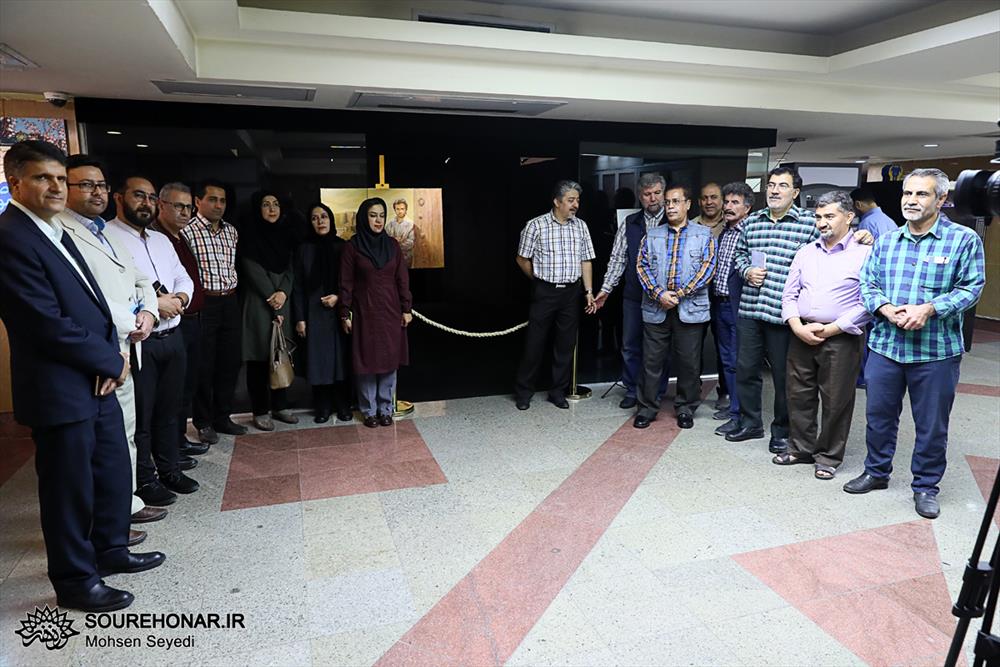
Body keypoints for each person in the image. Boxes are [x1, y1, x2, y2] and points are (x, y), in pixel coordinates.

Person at [0, 140, 164, 612]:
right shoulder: (11, 237)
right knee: (67, 488)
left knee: (112, 467)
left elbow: (92, 304)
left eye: (58, 177)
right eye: (43, 178)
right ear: (15, 182)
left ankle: (111, 549)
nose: (54, 187)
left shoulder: (55, 230)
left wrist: (107, 358)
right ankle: (75, 579)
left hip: (96, 377)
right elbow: (43, 321)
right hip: (60, 385)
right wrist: (109, 360)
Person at [844, 168, 985, 519]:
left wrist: (930, 309)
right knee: (878, 418)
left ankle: (925, 486)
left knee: (931, 425)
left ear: (941, 199)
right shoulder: (888, 240)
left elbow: (971, 288)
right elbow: (867, 283)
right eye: (908, 193)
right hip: (886, 348)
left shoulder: (964, 240)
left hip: (935, 352)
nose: (911, 200)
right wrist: (885, 308)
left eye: (921, 194)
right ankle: (877, 472)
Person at [729, 168, 873, 452]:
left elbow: (837, 239)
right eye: (771, 185)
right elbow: (740, 255)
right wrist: (746, 271)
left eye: (782, 186)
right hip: (751, 309)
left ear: (795, 192)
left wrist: (862, 235)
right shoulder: (752, 222)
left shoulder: (810, 222)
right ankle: (749, 422)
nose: (774, 190)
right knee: (745, 370)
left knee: (786, 379)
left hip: (785, 316)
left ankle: (782, 431)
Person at [57, 155, 164, 532]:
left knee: (124, 433)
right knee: (99, 444)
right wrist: (129, 321)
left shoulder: (105, 232)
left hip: (126, 347)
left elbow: (141, 280)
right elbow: (82, 300)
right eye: (86, 185)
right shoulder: (59, 232)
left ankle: (127, 504)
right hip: (98, 352)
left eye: (100, 185)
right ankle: (106, 517)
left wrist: (149, 312)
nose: (96, 192)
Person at [108, 176, 199, 500]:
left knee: (169, 410)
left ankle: (170, 470)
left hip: (172, 336)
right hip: (139, 342)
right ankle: (145, 481)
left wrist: (180, 299)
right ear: (119, 198)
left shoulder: (161, 241)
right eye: (139, 196)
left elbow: (183, 277)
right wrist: (155, 304)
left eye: (150, 197)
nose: (146, 203)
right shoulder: (107, 237)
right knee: (142, 416)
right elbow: (111, 291)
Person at [774, 191, 872, 479]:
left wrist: (832, 328)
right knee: (799, 395)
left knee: (836, 400)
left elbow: (868, 302)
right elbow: (789, 294)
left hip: (841, 337)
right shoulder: (806, 252)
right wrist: (796, 325)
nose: (822, 222)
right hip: (802, 332)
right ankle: (800, 448)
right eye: (818, 216)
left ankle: (828, 456)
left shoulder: (865, 253)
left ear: (849, 217)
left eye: (829, 216)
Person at [633, 184, 717, 429]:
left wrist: (679, 294)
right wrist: (659, 293)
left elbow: (707, 269)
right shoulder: (652, 235)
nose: (670, 206)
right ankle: (647, 408)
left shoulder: (704, 235)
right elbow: (641, 266)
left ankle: (685, 408)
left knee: (689, 363)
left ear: (688, 205)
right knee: (651, 362)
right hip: (656, 308)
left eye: (676, 201)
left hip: (689, 310)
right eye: (668, 202)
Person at [590, 173, 671, 409]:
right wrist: (606, 289)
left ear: (664, 194)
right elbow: (618, 259)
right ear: (640, 196)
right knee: (630, 345)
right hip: (634, 296)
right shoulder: (630, 222)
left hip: (663, 299)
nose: (652, 198)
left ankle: (656, 391)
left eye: (657, 193)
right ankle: (633, 389)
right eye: (647, 194)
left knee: (660, 348)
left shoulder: (674, 220)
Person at [514, 180, 596, 410]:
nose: (575, 205)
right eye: (571, 200)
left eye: (577, 200)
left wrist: (589, 291)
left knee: (565, 345)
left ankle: (557, 392)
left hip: (571, 293)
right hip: (545, 292)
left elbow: (586, 260)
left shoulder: (581, 226)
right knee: (534, 344)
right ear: (557, 202)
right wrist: (538, 280)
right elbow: (521, 259)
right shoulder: (536, 225)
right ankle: (524, 393)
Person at [181, 179, 247, 442]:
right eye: (212, 199)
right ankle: (203, 421)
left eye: (222, 201)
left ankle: (223, 416)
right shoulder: (187, 231)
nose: (218, 205)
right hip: (204, 304)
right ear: (198, 201)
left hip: (230, 300)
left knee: (229, 362)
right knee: (204, 365)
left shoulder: (232, 231)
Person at [340, 197, 413, 427]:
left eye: (382, 215)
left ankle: (386, 409)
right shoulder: (352, 247)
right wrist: (344, 312)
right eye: (373, 215)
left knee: (389, 360)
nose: (378, 220)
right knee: (366, 361)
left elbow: (402, 279)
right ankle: (369, 410)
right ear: (364, 218)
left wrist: (406, 308)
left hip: (390, 310)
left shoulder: (392, 246)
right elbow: (345, 282)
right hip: (365, 311)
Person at [153, 182, 208, 458]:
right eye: (178, 206)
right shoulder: (154, 237)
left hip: (191, 319)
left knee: (186, 384)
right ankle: (170, 447)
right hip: (171, 322)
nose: (185, 212)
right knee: (172, 389)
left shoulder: (178, 237)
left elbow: (185, 279)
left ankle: (179, 439)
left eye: (188, 207)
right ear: (161, 205)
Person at [239, 191, 298, 431]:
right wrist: (273, 296)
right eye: (266, 204)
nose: (272, 209)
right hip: (259, 306)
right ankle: (260, 410)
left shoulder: (287, 235)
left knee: (280, 355)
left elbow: (291, 269)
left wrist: (283, 292)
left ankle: (280, 406)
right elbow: (250, 268)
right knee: (258, 360)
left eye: (276, 204)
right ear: (258, 209)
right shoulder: (249, 236)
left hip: (282, 304)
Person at [294, 203, 352, 423]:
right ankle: (322, 407)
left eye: (324, 216)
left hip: (339, 313)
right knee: (318, 361)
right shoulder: (304, 248)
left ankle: (343, 404)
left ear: (331, 220)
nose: (320, 221)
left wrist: (338, 297)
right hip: (314, 312)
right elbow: (298, 285)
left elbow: (350, 281)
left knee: (341, 360)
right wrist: (300, 318)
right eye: (315, 218)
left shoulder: (342, 246)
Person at [711, 182, 753, 437]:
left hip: (738, 306)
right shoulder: (725, 232)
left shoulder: (750, 232)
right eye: (726, 202)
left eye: (734, 202)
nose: (727, 206)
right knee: (727, 360)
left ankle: (739, 414)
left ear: (747, 208)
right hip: (720, 303)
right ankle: (733, 407)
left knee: (738, 361)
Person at [849, 186, 898, 388]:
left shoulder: (867, 223)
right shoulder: (889, 221)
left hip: (873, 285)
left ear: (858, 205)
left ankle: (861, 378)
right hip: (888, 285)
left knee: (865, 333)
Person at [693, 181, 729, 413]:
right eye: (705, 198)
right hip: (695, 295)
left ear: (721, 200)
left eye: (714, 197)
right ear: (699, 201)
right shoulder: (691, 225)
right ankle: (692, 390)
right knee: (692, 347)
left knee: (724, 347)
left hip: (721, 297)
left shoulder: (732, 225)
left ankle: (725, 391)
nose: (709, 202)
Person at [386, 197, 415, 267]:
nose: (400, 211)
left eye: (402, 209)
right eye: (397, 209)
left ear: (406, 209)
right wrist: (397, 241)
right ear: (394, 210)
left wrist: (395, 242)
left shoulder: (411, 224)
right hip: (391, 258)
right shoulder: (389, 224)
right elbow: (385, 240)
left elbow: (411, 243)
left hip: (405, 258)